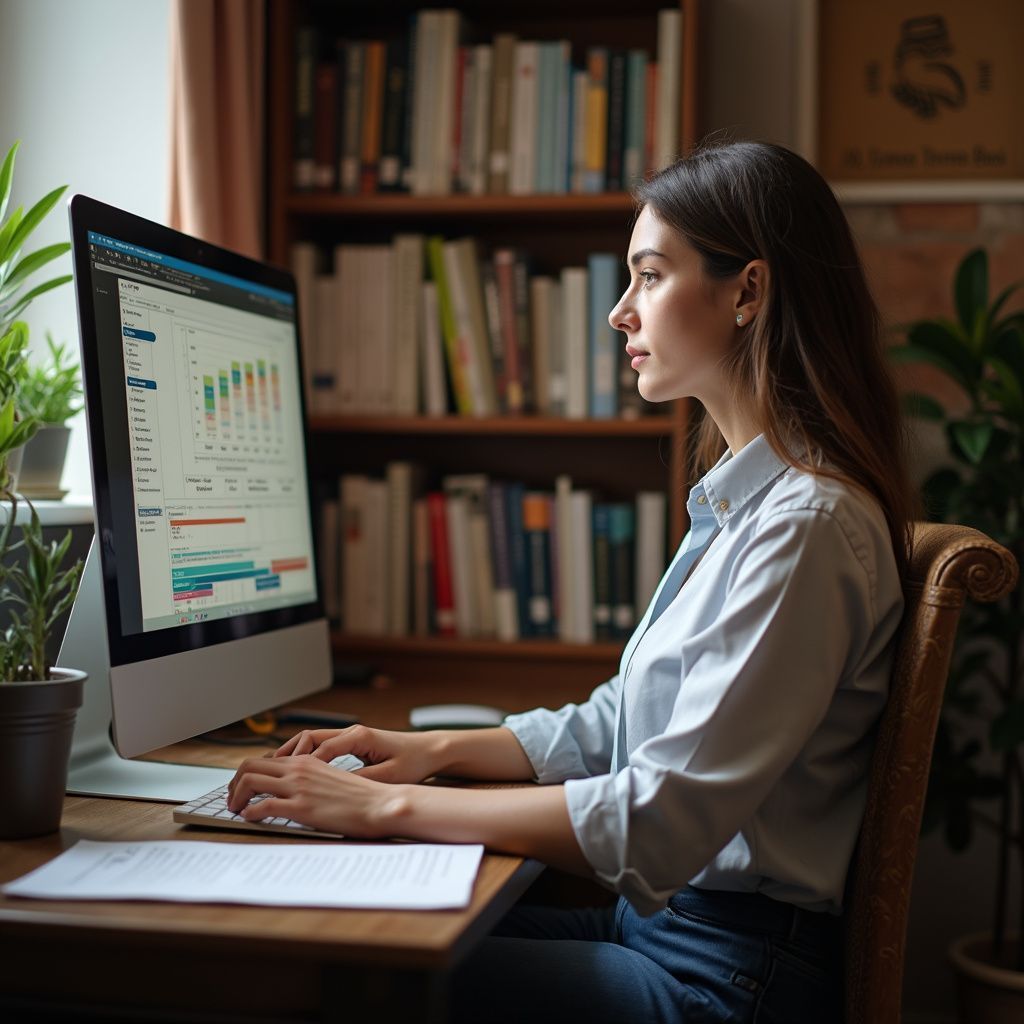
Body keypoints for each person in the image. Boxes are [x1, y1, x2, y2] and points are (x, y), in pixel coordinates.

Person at [227, 140, 915, 1023]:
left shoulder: (805, 529)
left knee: (345, 980)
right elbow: (623, 719)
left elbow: (658, 819)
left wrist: (384, 806)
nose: (620, 314)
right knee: (347, 936)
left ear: (748, 291)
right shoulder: (750, 504)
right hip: (673, 935)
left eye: (650, 277)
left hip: (726, 980)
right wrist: (430, 752)